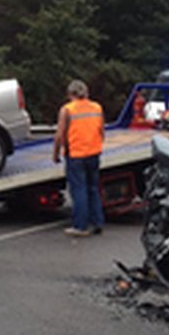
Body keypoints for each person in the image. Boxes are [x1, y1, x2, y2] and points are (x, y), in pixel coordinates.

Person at [52, 79, 105, 238]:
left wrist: (55, 154)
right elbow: (101, 131)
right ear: (86, 92)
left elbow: (60, 135)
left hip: (76, 154)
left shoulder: (67, 110)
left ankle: (80, 226)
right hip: (94, 153)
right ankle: (97, 222)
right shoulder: (97, 107)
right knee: (93, 189)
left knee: (79, 190)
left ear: (70, 94)